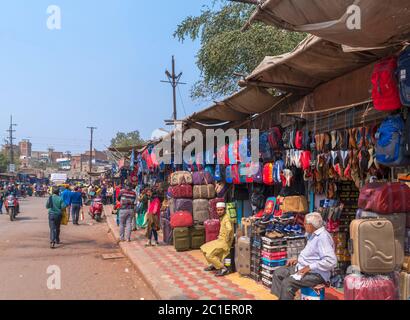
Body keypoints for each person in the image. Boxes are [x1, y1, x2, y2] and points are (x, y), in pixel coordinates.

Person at [270, 212, 337, 300]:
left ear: (311, 225)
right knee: (278, 273)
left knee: (287, 283)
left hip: (317, 274)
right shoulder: (312, 235)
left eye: (305, 223)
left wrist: (309, 267)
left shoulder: (323, 238)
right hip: (302, 268)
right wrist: (298, 260)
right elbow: (313, 255)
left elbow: (331, 261)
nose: (303, 225)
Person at [200, 202, 234, 277]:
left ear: (224, 210)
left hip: (224, 242)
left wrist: (227, 239)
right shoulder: (222, 217)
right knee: (204, 249)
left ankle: (223, 268)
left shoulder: (226, 218)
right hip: (220, 240)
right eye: (218, 210)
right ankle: (214, 264)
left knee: (209, 255)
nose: (219, 211)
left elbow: (230, 229)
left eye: (221, 210)